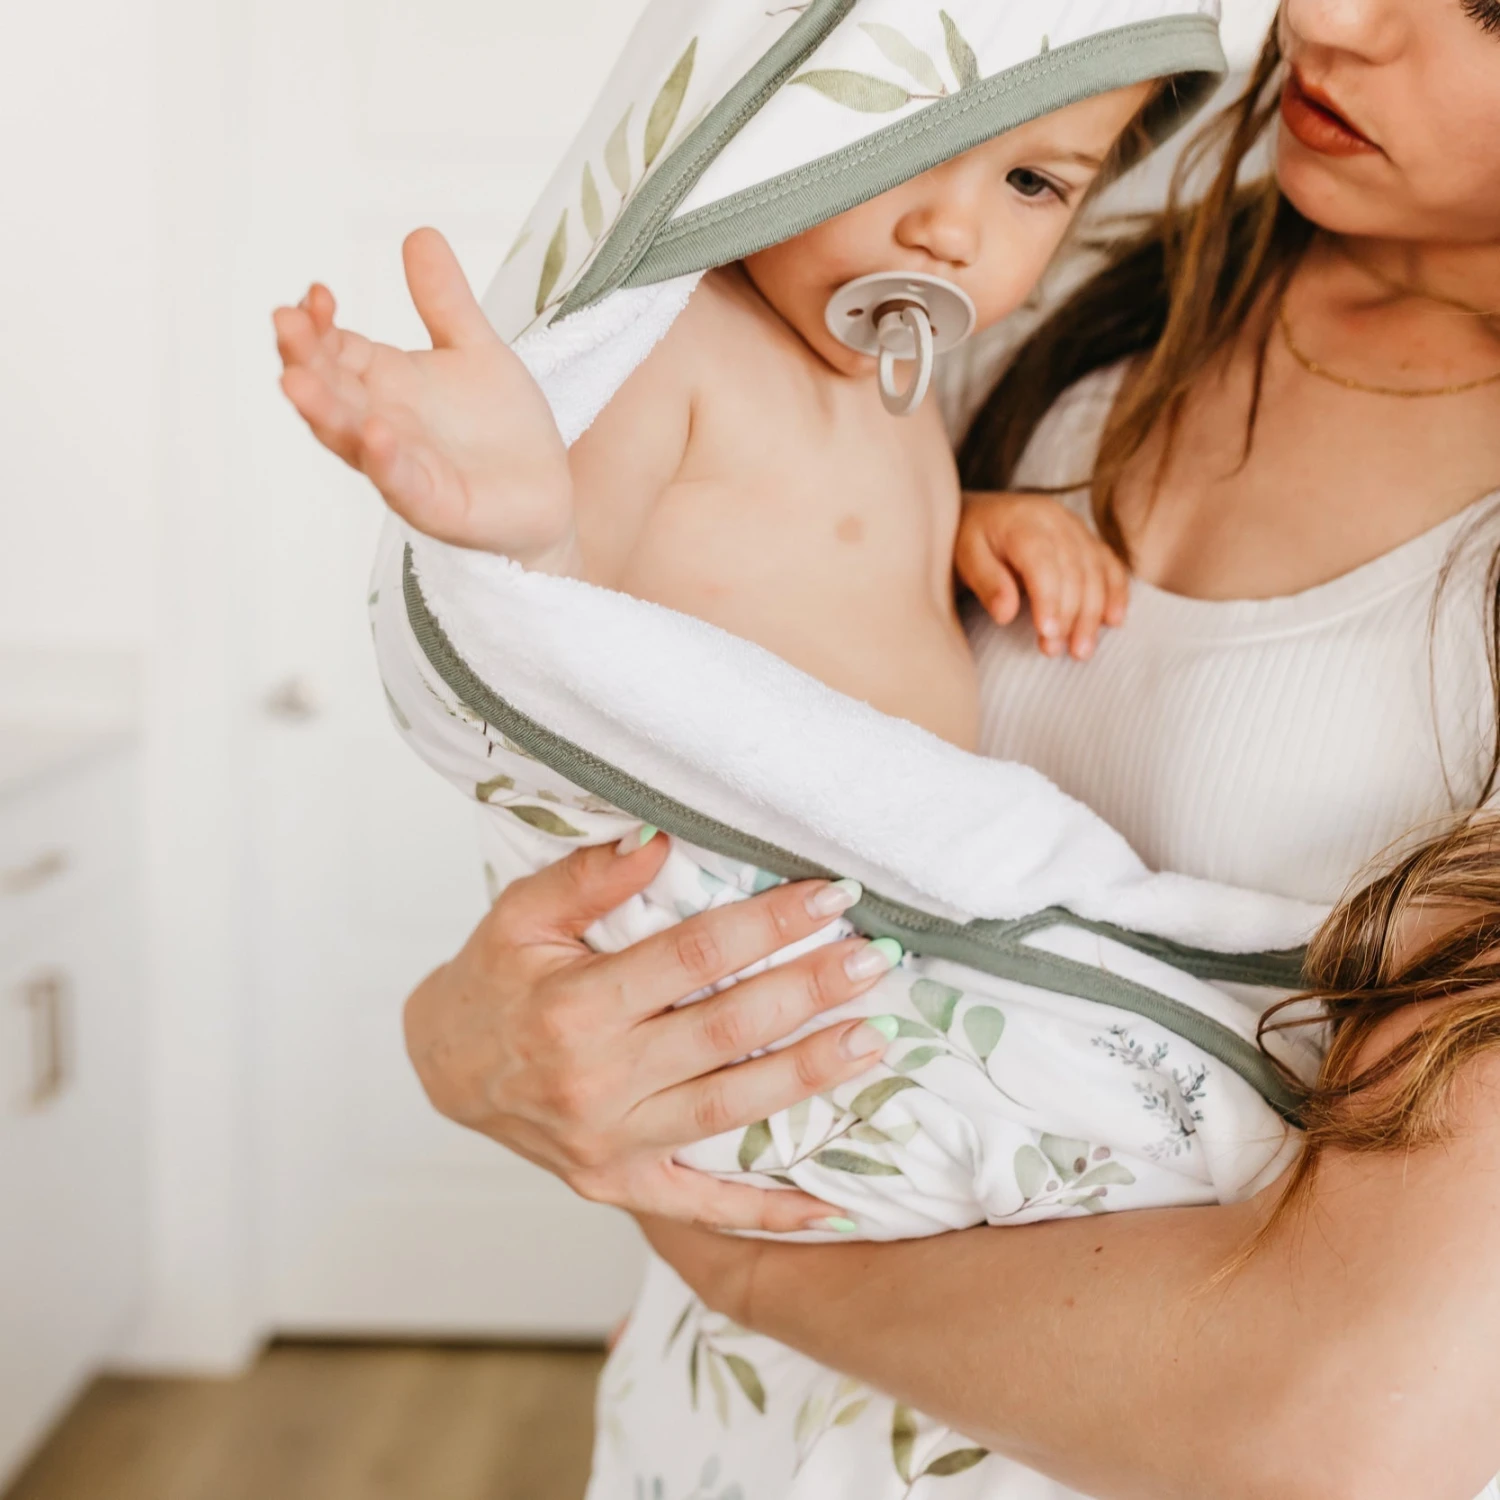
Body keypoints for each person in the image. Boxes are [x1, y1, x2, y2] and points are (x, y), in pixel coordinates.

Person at [402, 0, 1500, 1494]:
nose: (1332, 14)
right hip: (737, 1428)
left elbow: (1349, 1426)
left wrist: (750, 1270)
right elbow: (698, 723)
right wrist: (472, 1039)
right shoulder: (1046, 281)